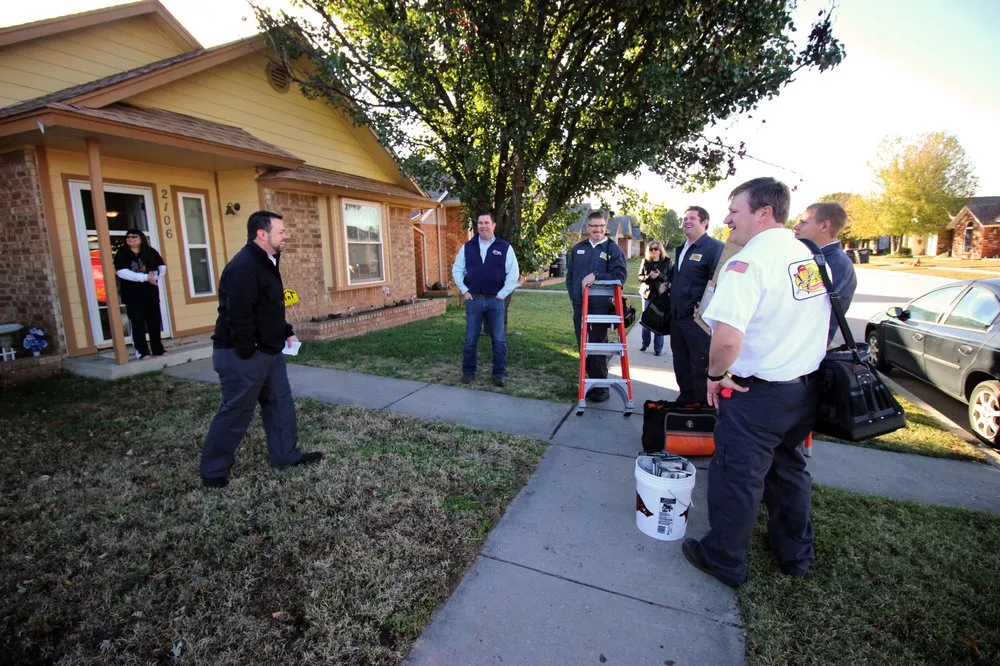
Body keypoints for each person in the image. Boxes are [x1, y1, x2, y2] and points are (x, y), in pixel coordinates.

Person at [682, 177, 831, 587]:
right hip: (801, 390)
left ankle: (724, 559)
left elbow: (727, 338)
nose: (727, 219)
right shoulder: (804, 256)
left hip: (757, 395)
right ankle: (795, 554)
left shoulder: (748, 262)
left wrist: (714, 376)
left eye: (735, 210)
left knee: (737, 477)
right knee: (788, 471)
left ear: (764, 212)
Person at [199, 211, 322, 489]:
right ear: (262, 234)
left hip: (269, 352)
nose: (286, 235)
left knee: (280, 404)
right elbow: (238, 314)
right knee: (235, 413)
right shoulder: (243, 266)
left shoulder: (267, 260)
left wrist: (285, 331)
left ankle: (285, 456)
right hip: (243, 354)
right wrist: (250, 350)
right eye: (281, 231)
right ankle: (213, 471)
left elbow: (267, 308)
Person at [452, 210, 520, 387]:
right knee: (470, 339)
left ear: (493, 225)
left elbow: (513, 274)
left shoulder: (504, 247)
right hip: (473, 300)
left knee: (498, 339)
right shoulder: (468, 247)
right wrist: (465, 291)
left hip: (495, 301)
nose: (483, 226)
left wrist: (501, 295)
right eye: (480, 223)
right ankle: (468, 372)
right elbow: (457, 270)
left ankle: (499, 374)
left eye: (486, 223)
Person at [566, 211, 628, 402]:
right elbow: (570, 277)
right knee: (583, 346)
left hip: (600, 309)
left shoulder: (612, 249)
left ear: (605, 227)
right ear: (587, 227)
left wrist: (597, 276)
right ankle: (589, 384)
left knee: (597, 346)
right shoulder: (578, 249)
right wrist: (574, 296)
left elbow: (620, 276)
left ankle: (601, 388)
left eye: (601, 226)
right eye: (594, 226)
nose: (598, 230)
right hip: (580, 306)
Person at [670, 206, 724, 404]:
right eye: (684, 218)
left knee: (700, 363)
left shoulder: (714, 248)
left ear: (705, 222)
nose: (686, 221)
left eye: (692, 218)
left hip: (697, 319)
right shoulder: (681, 248)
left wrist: (705, 306)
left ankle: (703, 405)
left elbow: (718, 280)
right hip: (677, 317)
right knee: (681, 361)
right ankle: (686, 398)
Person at [793, 201, 858, 345]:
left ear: (824, 226)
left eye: (803, 222)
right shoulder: (819, 257)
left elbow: (805, 307)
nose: (796, 227)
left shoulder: (834, 262)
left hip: (807, 346)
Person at [113, 228, 166, 360]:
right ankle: (142, 352)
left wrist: (155, 276)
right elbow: (122, 272)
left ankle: (158, 349)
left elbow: (161, 266)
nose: (130, 239)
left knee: (154, 322)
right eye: (128, 237)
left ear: (141, 238)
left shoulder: (150, 252)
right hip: (133, 296)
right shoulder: (122, 253)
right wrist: (144, 277)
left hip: (151, 293)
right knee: (137, 323)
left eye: (134, 237)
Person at [638, 240, 672, 355]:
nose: (653, 251)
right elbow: (640, 277)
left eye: (655, 249)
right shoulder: (646, 261)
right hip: (648, 294)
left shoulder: (667, 262)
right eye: (651, 249)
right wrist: (650, 276)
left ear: (660, 250)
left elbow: (670, 277)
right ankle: (645, 343)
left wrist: (660, 275)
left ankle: (658, 349)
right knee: (646, 321)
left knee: (658, 322)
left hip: (661, 296)